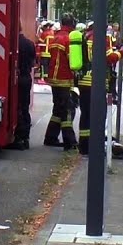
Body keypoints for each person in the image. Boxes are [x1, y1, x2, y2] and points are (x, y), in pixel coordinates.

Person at [74, 23, 121, 155]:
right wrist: (122, 53)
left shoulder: (85, 36)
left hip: (84, 80)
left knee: (86, 115)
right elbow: (109, 57)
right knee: (99, 115)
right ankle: (95, 145)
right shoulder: (101, 38)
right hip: (97, 82)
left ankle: (84, 146)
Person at [43, 14, 79, 150]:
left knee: (58, 108)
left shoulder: (55, 37)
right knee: (67, 110)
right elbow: (73, 60)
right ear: (72, 25)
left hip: (54, 79)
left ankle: (50, 137)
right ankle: (70, 142)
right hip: (64, 79)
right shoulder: (69, 38)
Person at [13, 31, 36, 149]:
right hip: (26, 78)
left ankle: (18, 137)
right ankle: (25, 137)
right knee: (24, 108)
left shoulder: (13, 43)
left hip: (16, 78)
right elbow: (33, 63)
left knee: (17, 108)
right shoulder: (29, 44)